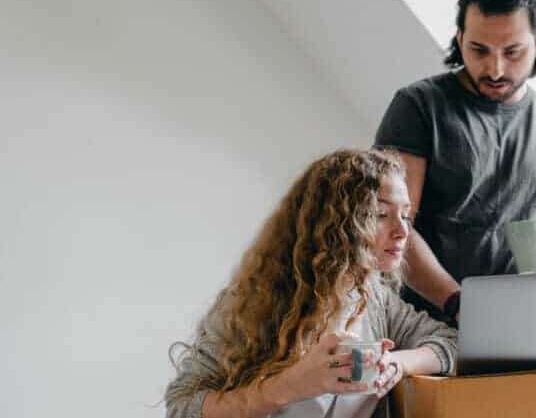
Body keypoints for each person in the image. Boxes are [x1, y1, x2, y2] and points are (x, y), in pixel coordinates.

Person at [374, 0, 536, 323]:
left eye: (512, 52)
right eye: (478, 50)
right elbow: (391, 225)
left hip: (523, 325)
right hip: (417, 327)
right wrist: (458, 304)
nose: (495, 69)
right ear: (459, 39)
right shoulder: (418, 107)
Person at [164, 149, 456, 418]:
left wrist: (398, 364)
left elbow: (451, 344)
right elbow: (182, 407)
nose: (403, 231)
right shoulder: (255, 302)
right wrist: (289, 387)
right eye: (380, 214)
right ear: (335, 224)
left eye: (405, 214)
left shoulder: (375, 299)